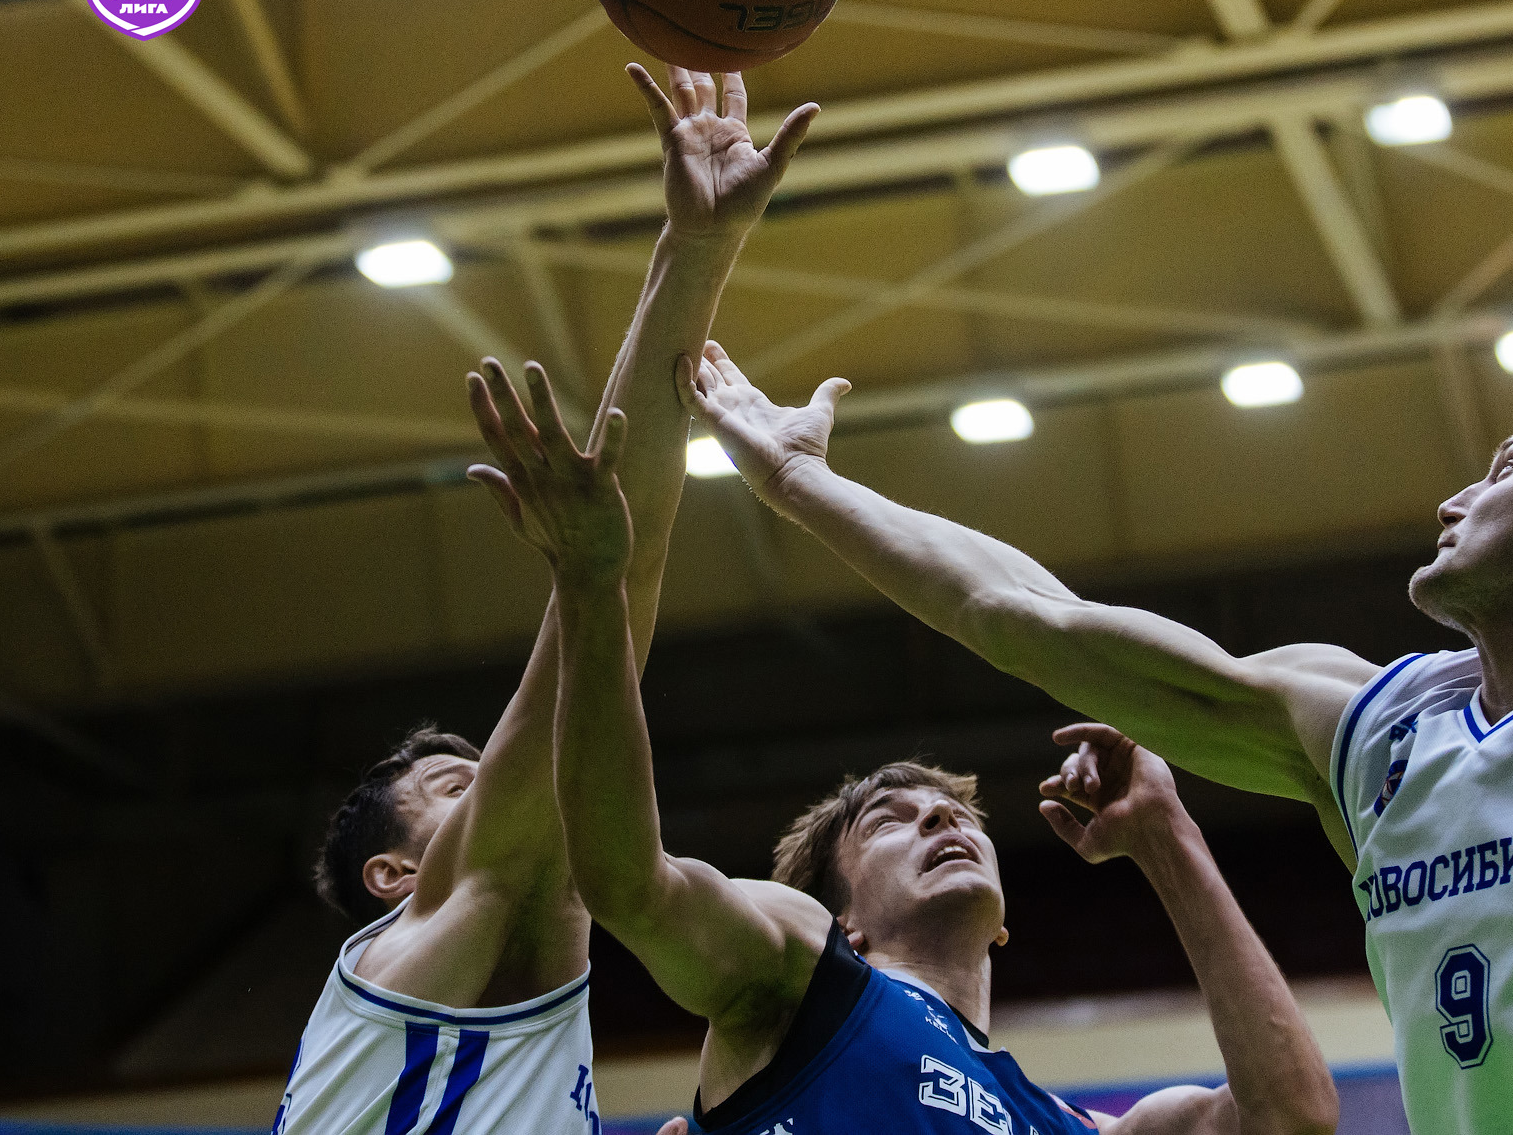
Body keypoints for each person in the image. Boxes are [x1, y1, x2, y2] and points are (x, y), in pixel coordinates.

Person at [675, 348, 1513, 1133]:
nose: (1454, 495)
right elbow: (1029, 619)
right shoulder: (1368, 726)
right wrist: (798, 480)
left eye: (1506, 465)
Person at [460, 361, 1340, 1135]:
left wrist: (1166, 833)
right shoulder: (803, 972)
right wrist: (593, 587)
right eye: (891, 818)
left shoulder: (1072, 1123)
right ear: (844, 918)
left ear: (1004, 923)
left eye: (955, 812)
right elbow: (627, 880)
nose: (941, 818)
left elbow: (1290, 1115)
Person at [272, 65, 817, 1135]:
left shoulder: (486, 992)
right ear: (395, 875)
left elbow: (615, 588)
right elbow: (613, 591)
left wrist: (694, 247)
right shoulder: (448, 922)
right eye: (462, 783)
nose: (515, 775)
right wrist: (695, 249)